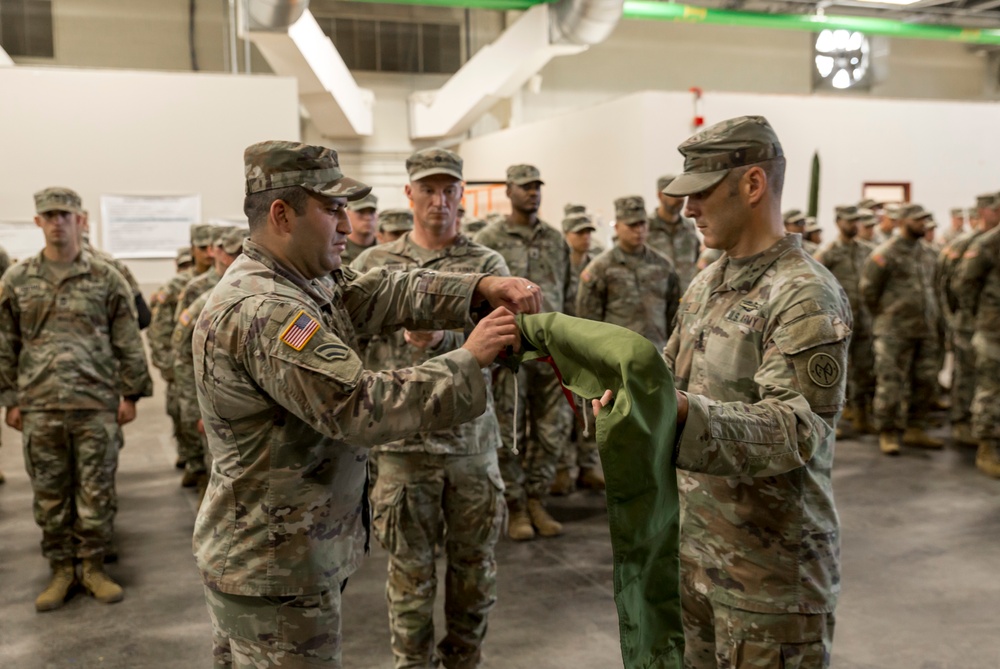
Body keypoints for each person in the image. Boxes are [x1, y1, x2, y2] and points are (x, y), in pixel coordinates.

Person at [192, 140, 539, 668]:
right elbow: (358, 406)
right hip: (272, 564)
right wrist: (470, 359)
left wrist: (477, 286)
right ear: (282, 215)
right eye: (333, 210)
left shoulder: (304, 281)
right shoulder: (266, 309)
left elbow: (381, 293)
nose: (348, 227)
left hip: (285, 553)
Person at [659, 116, 850, 668]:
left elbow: (796, 429)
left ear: (751, 185)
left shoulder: (804, 293)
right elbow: (670, 376)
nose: (688, 208)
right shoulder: (707, 283)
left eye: (701, 193)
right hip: (696, 557)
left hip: (770, 579)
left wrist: (678, 415)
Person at [351, 147, 509, 669]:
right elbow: (348, 348)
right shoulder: (374, 264)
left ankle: (464, 660)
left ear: (462, 195)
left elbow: (511, 348)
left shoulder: (486, 266)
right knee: (408, 574)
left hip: (469, 445)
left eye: (448, 190)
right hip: (402, 445)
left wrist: (449, 335)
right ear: (409, 195)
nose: (438, 201)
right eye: (428, 190)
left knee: (474, 571)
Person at [0, 186, 152, 612]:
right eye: (49, 215)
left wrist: (131, 392)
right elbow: (4, 343)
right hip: (40, 404)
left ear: (79, 219)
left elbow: (127, 340)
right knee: (49, 492)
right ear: (37, 222)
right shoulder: (16, 280)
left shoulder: (106, 277)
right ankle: (61, 569)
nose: (57, 222)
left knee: (96, 489)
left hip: (95, 403)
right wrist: (9, 398)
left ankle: (93, 567)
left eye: (64, 214)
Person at [474, 164, 572, 541]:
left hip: (551, 349)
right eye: (526, 187)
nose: (533, 193)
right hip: (509, 350)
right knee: (509, 427)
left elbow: (568, 291)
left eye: (537, 187)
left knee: (551, 428)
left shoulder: (555, 239)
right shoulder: (489, 239)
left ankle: (536, 498)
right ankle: (514, 505)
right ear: (509, 191)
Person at [171, 227, 249, 498]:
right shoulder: (205, 296)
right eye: (234, 253)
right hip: (217, 404)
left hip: (252, 410)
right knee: (220, 482)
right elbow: (182, 353)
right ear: (221, 254)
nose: (241, 258)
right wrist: (195, 409)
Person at [860, 204, 944, 455]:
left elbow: (936, 287)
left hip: (925, 329)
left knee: (925, 380)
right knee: (890, 383)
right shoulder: (884, 253)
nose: (924, 224)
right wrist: (886, 316)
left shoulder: (929, 253)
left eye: (926, 220)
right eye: (918, 220)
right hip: (893, 331)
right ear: (903, 221)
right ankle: (888, 430)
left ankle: (915, 427)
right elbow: (868, 291)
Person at [577, 195, 680, 352]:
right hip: (617, 356)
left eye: (642, 224)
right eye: (632, 225)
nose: (638, 230)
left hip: (657, 354)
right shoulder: (600, 268)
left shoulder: (663, 265)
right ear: (617, 227)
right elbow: (588, 322)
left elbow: (673, 316)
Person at [148, 223, 214, 469]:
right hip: (182, 363)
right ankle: (194, 463)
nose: (208, 253)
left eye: (212, 247)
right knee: (184, 415)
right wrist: (168, 366)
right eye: (202, 247)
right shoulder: (180, 286)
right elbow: (161, 329)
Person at [815, 205, 876, 435]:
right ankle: (833, 421)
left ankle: (861, 415)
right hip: (837, 323)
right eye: (849, 221)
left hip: (864, 320)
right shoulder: (827, 253)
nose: (854, 225)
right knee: (835, 372)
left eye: (856, 221)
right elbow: (817, 286)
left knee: (864, 369)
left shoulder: (868, 250)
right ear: (838, 221)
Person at [937, 199, 991, 446]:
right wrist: (960, 314)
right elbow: (948, 283)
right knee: (966, 373)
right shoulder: (965, 244)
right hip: (968, 322)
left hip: (988, 323)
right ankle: (961, 422)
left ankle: (983, 422)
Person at [954, 191, 1000, 477]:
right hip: (993, 329)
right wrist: (977, 318)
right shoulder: (988, 243)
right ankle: (987, 446)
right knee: (990, 388)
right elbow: (964, 285)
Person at [648, 175, 700, 292]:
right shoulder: (646, 228)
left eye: (682, 194)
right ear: (660, 195)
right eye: (674, 194)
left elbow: (698, 260)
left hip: (687, 296)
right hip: (658, 298)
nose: (680, 199)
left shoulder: (689, 227)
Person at [342, 192, 378, 265]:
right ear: (347, 214)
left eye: (371, 212)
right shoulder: (337, 250)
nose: (368, 218)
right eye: (361, 212)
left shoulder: (385, 250)